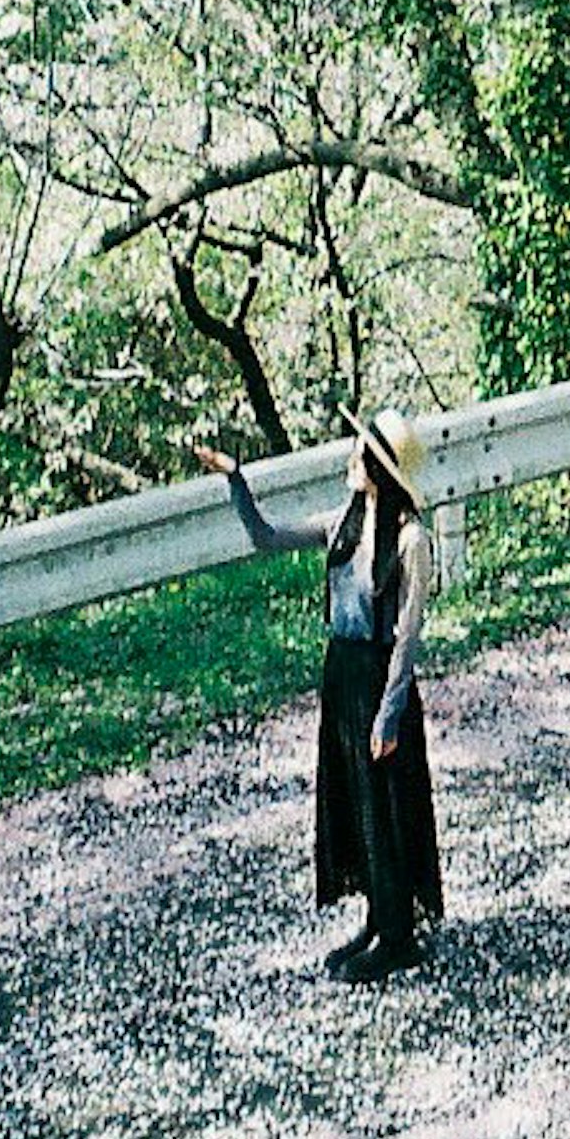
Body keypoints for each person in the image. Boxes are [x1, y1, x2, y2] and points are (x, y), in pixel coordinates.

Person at [196, 414, 446, 981]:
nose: (351, 461)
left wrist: (390, 712)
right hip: (343, 674)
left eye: (361, 454)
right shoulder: (343, 525)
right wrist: (237, 480)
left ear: (382, 468)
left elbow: (407, 635)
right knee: (356, 799)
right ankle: (380, 920)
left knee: (386, 806)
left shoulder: (410, 540)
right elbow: (267, 537)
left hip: (380, 680)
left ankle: (398, 934)